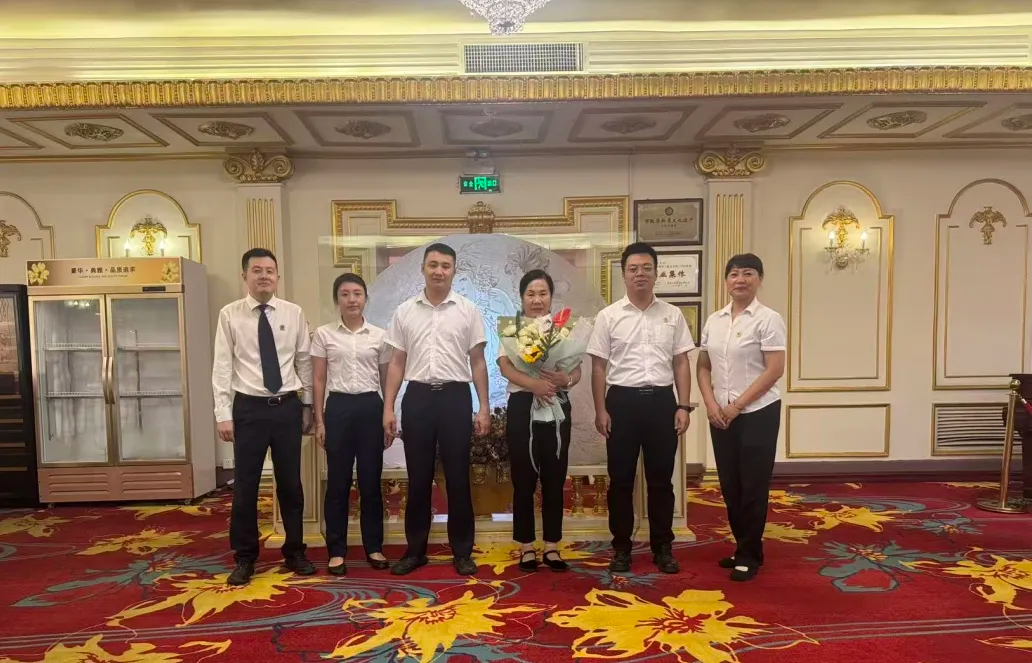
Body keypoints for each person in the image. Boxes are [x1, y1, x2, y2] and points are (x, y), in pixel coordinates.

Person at [382, 242, 491, 576]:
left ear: (454, 270)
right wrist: (388, 407)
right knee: (418, 479)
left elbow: (478, 362)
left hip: (455, 398)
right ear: (423, 269)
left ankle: (462, 551)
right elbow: (397, 362)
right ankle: (415, 551)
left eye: (445, 265)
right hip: (418, 398)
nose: (439, 271)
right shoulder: (405, 311)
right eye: (433, 265)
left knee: (458, 478)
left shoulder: (468, 310)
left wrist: (484, 407)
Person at [586, 242, 694, 575]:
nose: (640, 274)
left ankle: (663, 547)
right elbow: (599, 367)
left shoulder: (672, 314)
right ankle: (621, 548)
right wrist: (601, 410)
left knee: (661, 481)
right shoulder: (608, 316)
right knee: (620, 481)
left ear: (656, 273)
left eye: (647, 268)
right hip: (622, 403)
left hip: (662, 403)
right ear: (624, 274)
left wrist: (683, 405)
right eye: (633, 269)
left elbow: (681, 362)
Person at [212, 248, 316, 586]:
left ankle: (295, 551)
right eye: (257, 270)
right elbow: (222, 366)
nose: (264, 276)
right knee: (246, 485)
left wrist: (307, 405)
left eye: (270, 271)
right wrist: (222, 414)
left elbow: (303, 361)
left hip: (286, 407)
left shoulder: (293, 312)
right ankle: (245, 557)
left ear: (277, 276)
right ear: (245, 276)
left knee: (291, 485)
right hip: (248, 409)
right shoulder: (230, 315)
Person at [697, 253, 786, 582]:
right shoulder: (714, 320)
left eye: (748, 273)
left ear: (759, 279)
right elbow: (703, 367)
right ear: (726, 281)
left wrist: (737, 405)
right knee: (730, 484)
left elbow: (774, 370)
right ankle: (744, 547)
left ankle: (749, 554)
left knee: (752, 485)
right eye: (734, 274)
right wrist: (710, 404)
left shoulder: (768, 319)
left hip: (757, 412)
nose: (740, 280)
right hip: (720, 414)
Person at [497, 269, 581, 572]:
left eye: (542, 293)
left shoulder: (563, 329)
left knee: (555, 477)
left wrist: (565, 379)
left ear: (551, 297)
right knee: (523, 478)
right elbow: (505, 367)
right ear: (522, 297)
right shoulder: (512, 329)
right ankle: (526, 546)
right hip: (522, 404)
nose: (537, 299)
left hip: (556, 404)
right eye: (530, 294)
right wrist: (533, 384)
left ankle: (552, 545)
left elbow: (576, 369)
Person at [312, 273, 393, 575]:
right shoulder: (324, 335)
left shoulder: (380, 336)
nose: (351, 300)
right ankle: (336, 550)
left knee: (371, 482)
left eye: (357, 293)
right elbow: (318, 380)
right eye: (345, 294)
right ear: (337, 300)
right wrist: (320, 421)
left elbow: (386, 380)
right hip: (339, 408)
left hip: (371, 407)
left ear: (366, 299)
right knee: (338, 483)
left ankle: (374, 546)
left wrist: (388, 413)